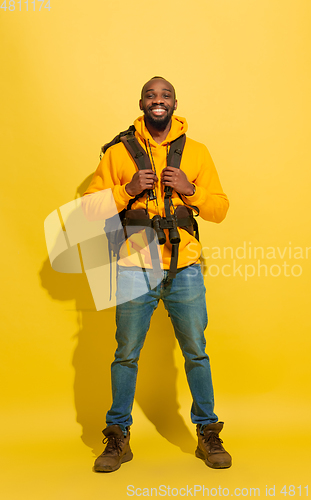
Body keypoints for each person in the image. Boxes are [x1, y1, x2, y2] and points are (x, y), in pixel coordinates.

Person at [83, 76, 231, 472]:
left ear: (175, 103)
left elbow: (219, 208)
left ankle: (207, 433)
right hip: (135, 267)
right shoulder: (118, 153)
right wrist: (125, 189)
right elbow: (87, 210)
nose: (158, 100)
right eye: (151, 95)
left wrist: (190, 190)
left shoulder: (197, 152)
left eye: (165, 95)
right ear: (142, 103)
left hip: (184, 269)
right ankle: (117, 437)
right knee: (126, 355)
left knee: (196, 352)